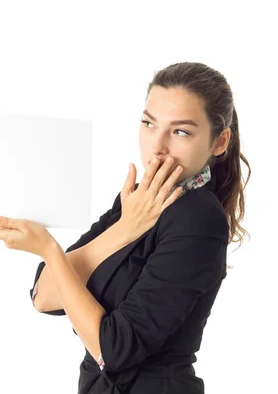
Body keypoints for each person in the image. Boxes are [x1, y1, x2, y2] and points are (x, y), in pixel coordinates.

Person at [30, 61, 251, 393]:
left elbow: (114, 350)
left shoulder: (199, 218)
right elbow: (44, 297)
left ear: (219, 142)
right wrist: (125, 228)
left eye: (180, 131)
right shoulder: (137, 200)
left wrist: (49, 249)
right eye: (149, 123)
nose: (157, 146)